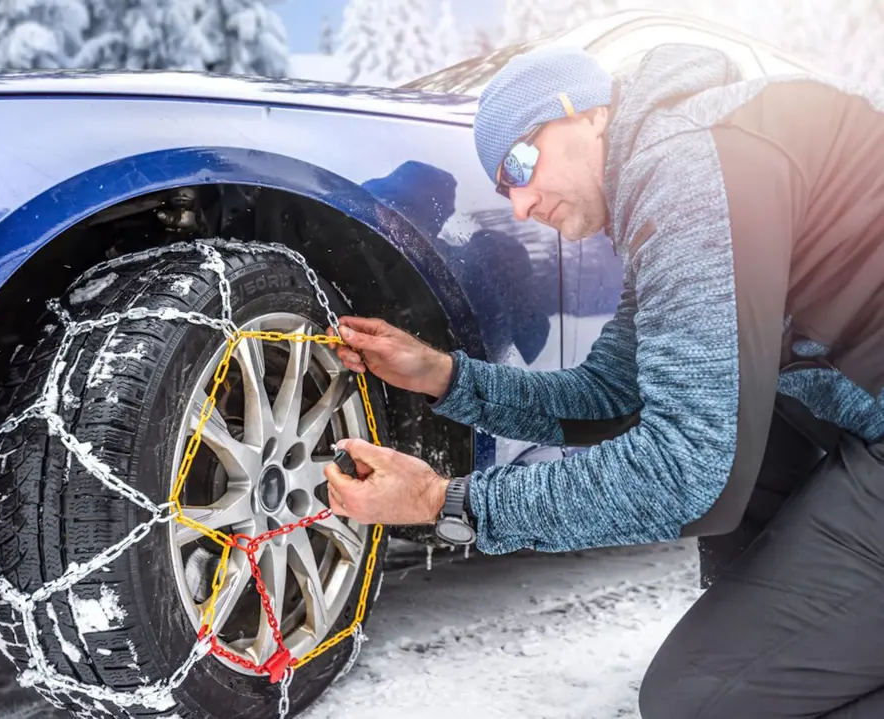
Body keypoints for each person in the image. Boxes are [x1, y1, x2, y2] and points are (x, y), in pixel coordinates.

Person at [322, 41, 884, 718]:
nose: (521, 203)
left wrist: (447, 501)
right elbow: (609, 397)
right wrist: (442, 376)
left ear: (588, 114)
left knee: (698, 702)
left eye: (521, 162)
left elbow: (682, 471)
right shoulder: (683, 172)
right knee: (744, 461)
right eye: (505, 188)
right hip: (863, 418)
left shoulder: (686, 167)